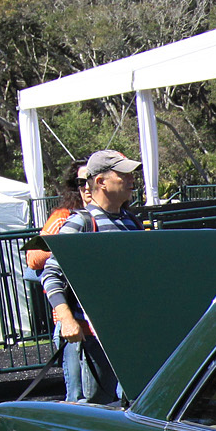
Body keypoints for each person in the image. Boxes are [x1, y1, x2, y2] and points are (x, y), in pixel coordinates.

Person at [39, 149, 140, 404]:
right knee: (95, 406)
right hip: (93, 337)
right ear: (100, 182)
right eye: (124, 174)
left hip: (130, 335)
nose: (131, 180)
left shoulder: (133, 222)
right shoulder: (79, 223)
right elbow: (50, 274)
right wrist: (67, 319)